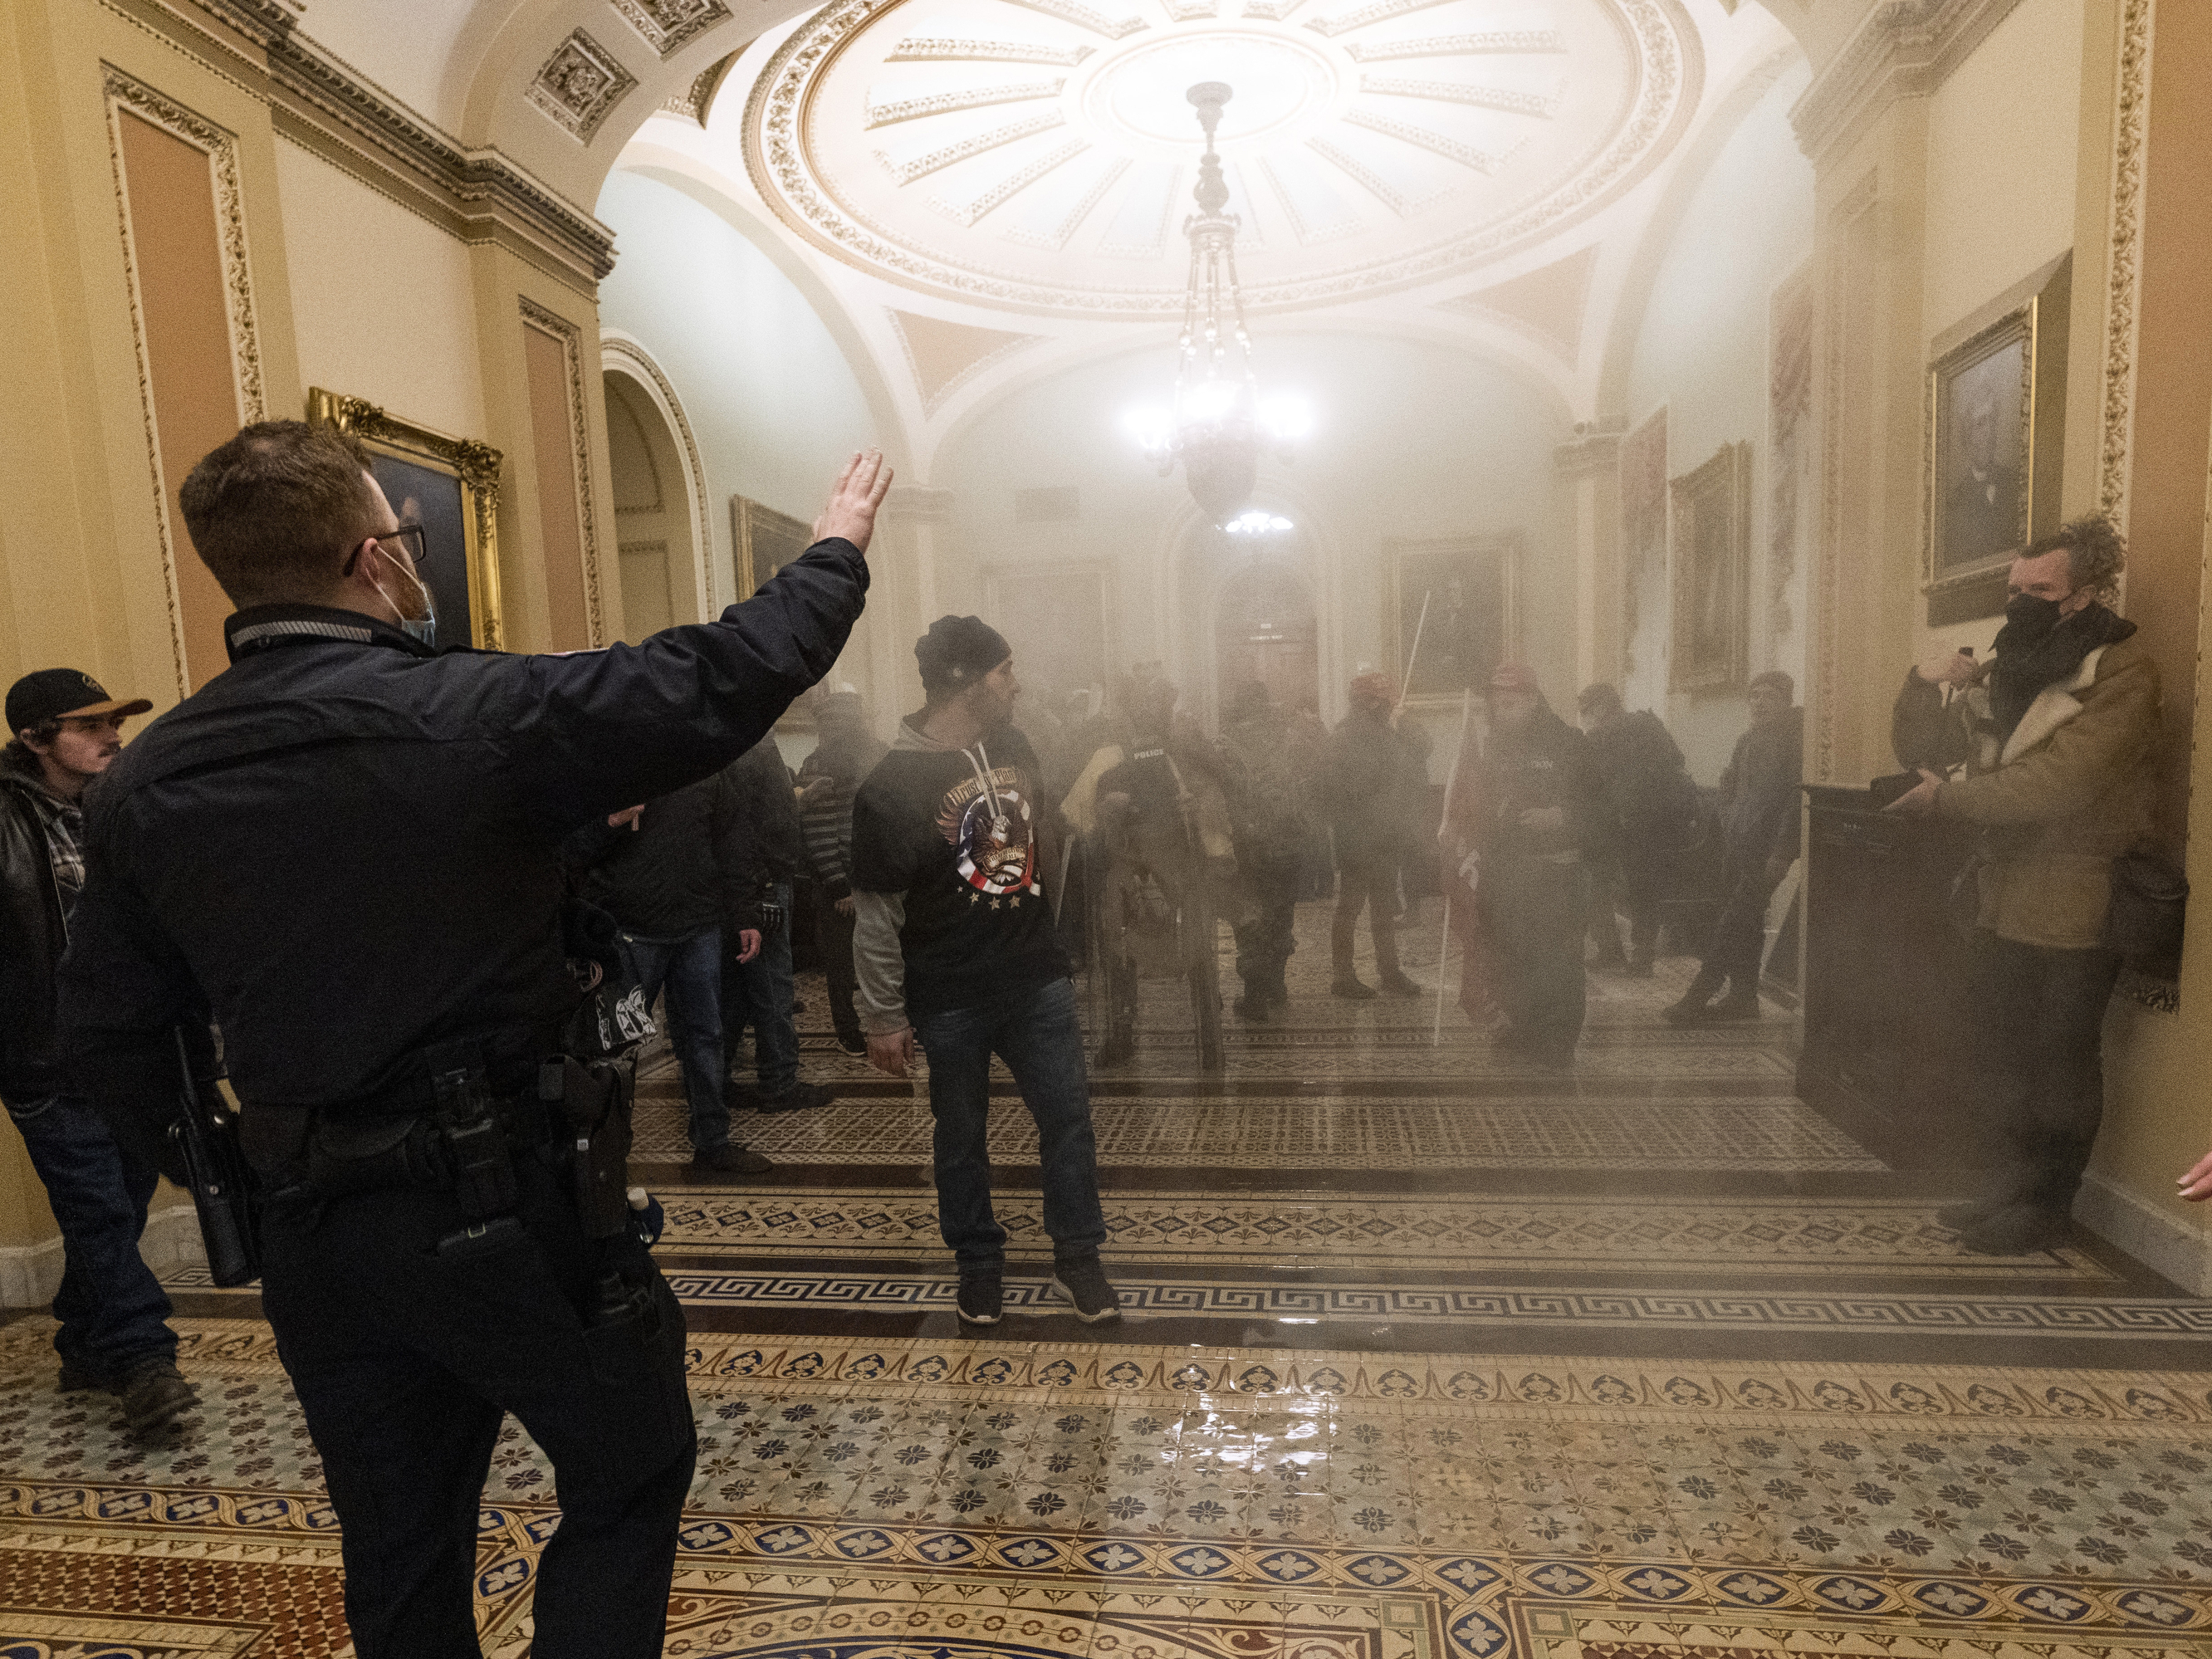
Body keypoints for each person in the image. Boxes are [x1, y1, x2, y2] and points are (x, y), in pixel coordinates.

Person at [56, 419, 889, 1658]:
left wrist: (227, 1170)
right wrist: (836, 549)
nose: (408, 551)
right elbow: (720, 674)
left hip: (312, 1226)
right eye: (400, 533)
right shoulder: (476, 708)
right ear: (369, 559)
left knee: (397, 1540)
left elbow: (112, 1034)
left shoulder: (145, 779)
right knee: (630, 1463)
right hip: (502, 1193)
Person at [1887, 517, 2158, 1255]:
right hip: (2000, 891)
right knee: (2005, 1047)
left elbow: (2058, 784)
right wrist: (1923, 685)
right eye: (2015, 587)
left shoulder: (2122, 670)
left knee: (2062, 1053)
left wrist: (1950, 799)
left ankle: (2048, 1203)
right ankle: (2010, 1184)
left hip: (2077, 892)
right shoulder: (2012, 663)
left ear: (2084, 594)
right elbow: (1928, 749)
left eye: (2039, 588)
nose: (2020, 601)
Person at [851, 615, 1119, 1327]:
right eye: (1004, 672)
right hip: (950, 995)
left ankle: (1077, 1259)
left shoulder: (1013, 745)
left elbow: (1049, 839)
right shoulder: (888, 786)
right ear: (965, 683)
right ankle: (978, 1264)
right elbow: (878, 916)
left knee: (1068, 1120)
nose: (1016, 683)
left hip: (1035, 979)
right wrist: (883, 1017)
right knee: (961, 1136)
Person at [0, 670, 194, 1437]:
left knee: (121, 1203)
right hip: (45, 1059)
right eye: (89, 724)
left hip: (133, 1055)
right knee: (100, 1207)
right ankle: (147, 1362)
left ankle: (85, 1342)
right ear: (34, 739)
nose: (113, 734)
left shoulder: (128, 806)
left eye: (116, 719)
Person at [1475, 663, 1606, 1068]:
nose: (1502, 712)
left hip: (1555, 870)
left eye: (1510, 704)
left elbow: (1601, 805)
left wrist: (1562, 815)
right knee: (1513, 953)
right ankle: (1523, 1025)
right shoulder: (1494, 745)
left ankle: (1558, 1038)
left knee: (1557, 957)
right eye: (1496, 705)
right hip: (1507, 870)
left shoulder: (1568, 742)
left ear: (1533, 700)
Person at [1664, 670, 1803, 1025]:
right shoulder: (1747, 740)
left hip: (1768, 850)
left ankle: (1699, 994)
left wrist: (1783, 852)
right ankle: (1743, 998)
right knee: (1747, 921)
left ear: (1786, 700)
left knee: (1734, 921)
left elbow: (1795, 799)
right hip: (1738, 844)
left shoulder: (1796, 740)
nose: (1759, 702)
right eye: (1754, 695)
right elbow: (1727, 784)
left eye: (1768, 695)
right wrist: (1727, 817)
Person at [1577, 683, 1695, 976]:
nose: (1585, 717)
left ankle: (1623, 953)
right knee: (1634, 888)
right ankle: (1632, 954)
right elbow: (1676, 761)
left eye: (1587, 711)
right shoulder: (1643, 725)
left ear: (1601, 707)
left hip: (1630, 822)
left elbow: (1591, 783)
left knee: (1615, 886)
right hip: (1633, 821)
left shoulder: (1612, 734)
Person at [1321, 672, 1425, 999]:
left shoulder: (1386, 730)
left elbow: (1422, 751)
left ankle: (1390, 971)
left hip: (1385, 834)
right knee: (1350, 907)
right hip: (1359, 836)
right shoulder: (1346, 735)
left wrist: (1402, 726)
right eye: (1384, 700)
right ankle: (1342, 976)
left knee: (1384, 908)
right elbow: (1351, 787)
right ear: (1369, 702)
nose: (1389, 705)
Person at [1219, 680, 1318, 1020]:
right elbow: (1309, 782)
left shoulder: (1226, 743)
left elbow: (1221, 794)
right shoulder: (1289, 737)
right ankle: (1277, 985)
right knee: (1280, 916)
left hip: (1249, 847)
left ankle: (1254, 995)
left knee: (1251, 919)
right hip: (1289, 844)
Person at [797, 685, 888, 1055]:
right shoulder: (818, 765)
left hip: (876, 876)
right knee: (840, 964)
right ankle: (848, 1030)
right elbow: (819, 829)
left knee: (881, 956)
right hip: (841, 883)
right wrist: (839, 887)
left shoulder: (878, 755)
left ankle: (885, 1023)